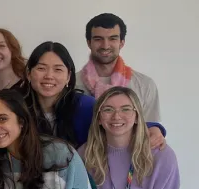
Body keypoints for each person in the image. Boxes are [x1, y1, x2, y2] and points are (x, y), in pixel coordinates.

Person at [23, 41, 165, 149]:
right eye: (41, 68)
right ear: (29, 73)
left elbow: (115, 122)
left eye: (58, 69)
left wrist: (153, 127)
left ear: (68, 77)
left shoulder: (85, 106)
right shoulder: (14, 105)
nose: (49, 76)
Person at [75, 13, 161, 122]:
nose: (105, 46)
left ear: (122, 43)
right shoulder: (71, 84)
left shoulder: (144, 85)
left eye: (112, 39)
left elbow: (151, 131)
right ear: (89, 43)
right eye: (98, 39)